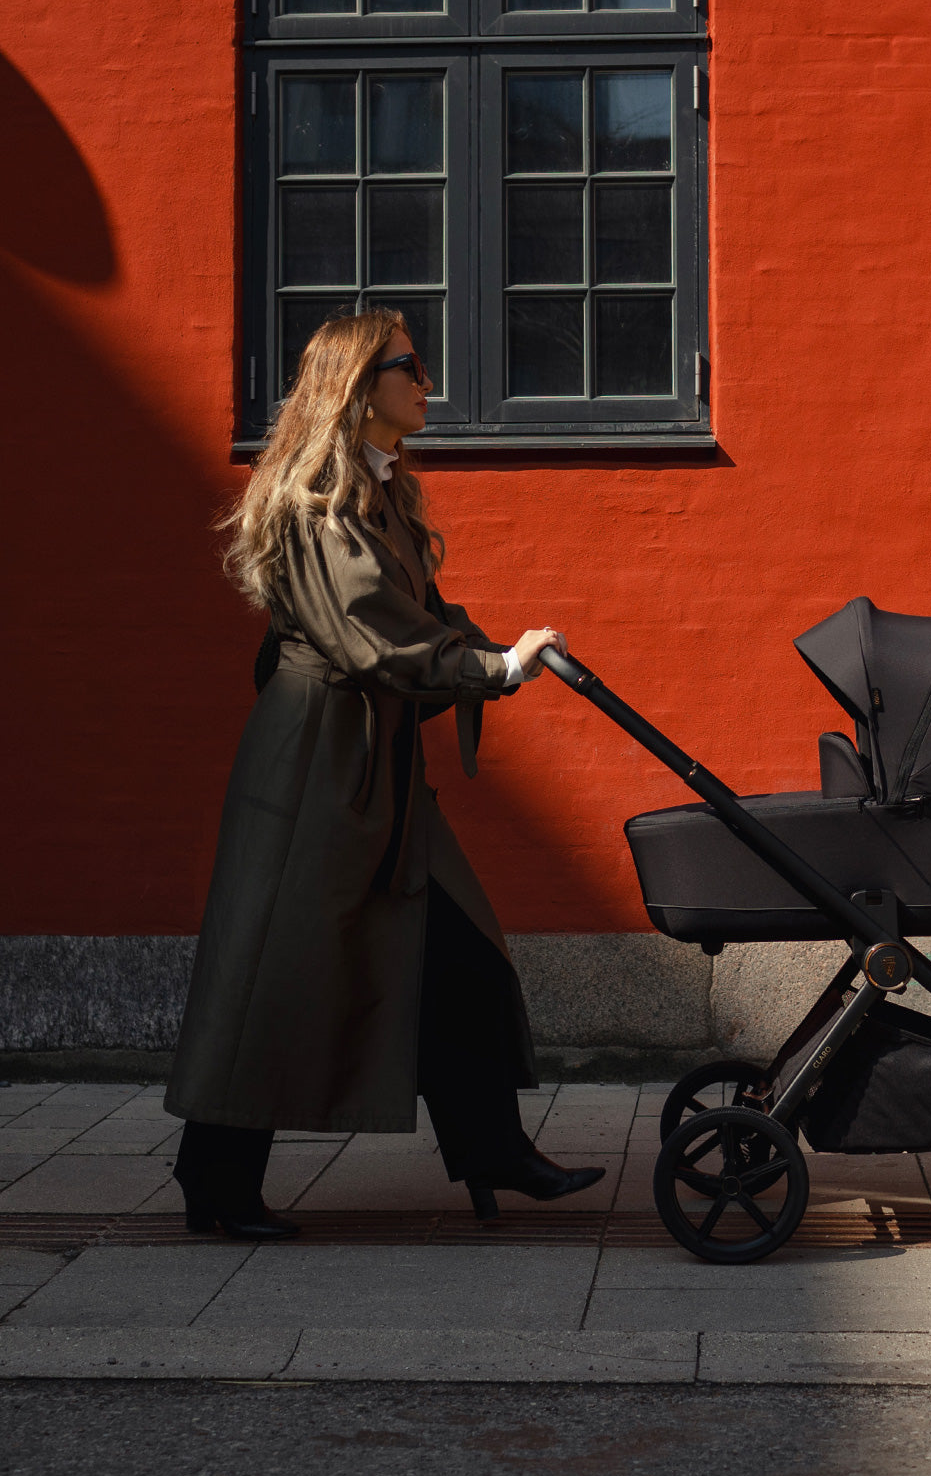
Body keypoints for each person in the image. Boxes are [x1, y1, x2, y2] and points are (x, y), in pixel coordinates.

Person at [163, 309, 604, 1239]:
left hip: (367, 759)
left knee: (459, 948)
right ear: (359, 388)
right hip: (314, 766)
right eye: (410, 366)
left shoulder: (380, 491)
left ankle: (493, 1148)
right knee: (274, 970)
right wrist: (497, 668)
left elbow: (421, 619)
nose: (427, 380)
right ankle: (215, 1182)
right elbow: (374, 636)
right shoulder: (320, 503)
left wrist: (490, 651)